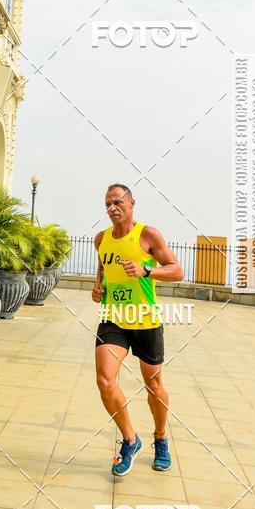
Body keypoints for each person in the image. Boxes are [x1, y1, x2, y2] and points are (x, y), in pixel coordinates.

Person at [92, 184, 183, 476]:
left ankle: (160, 439)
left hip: (145, 319)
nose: (112, 208)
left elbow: (176, 271)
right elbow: (104, 267)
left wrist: (147, 270)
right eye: (108, 204)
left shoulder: (148, 235)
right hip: (113, 319)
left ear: (132, 203)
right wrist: (98, 286)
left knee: (153, 386)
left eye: (118, 202)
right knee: (105, 381)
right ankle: (131, 439)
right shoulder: (100, 239)